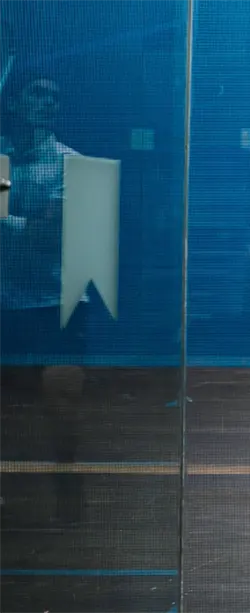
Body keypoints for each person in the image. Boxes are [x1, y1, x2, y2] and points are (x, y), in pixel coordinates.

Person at [0, 70, 87, 526]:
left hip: (56, 302)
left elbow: (45, 236)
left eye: (55, 95)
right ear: (15, 104)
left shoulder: (69, 165)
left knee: (60, 403)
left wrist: (5, 220)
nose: (47, 102)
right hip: (5, 302)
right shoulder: (1, 158)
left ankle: (68, 487)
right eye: (37, 93)